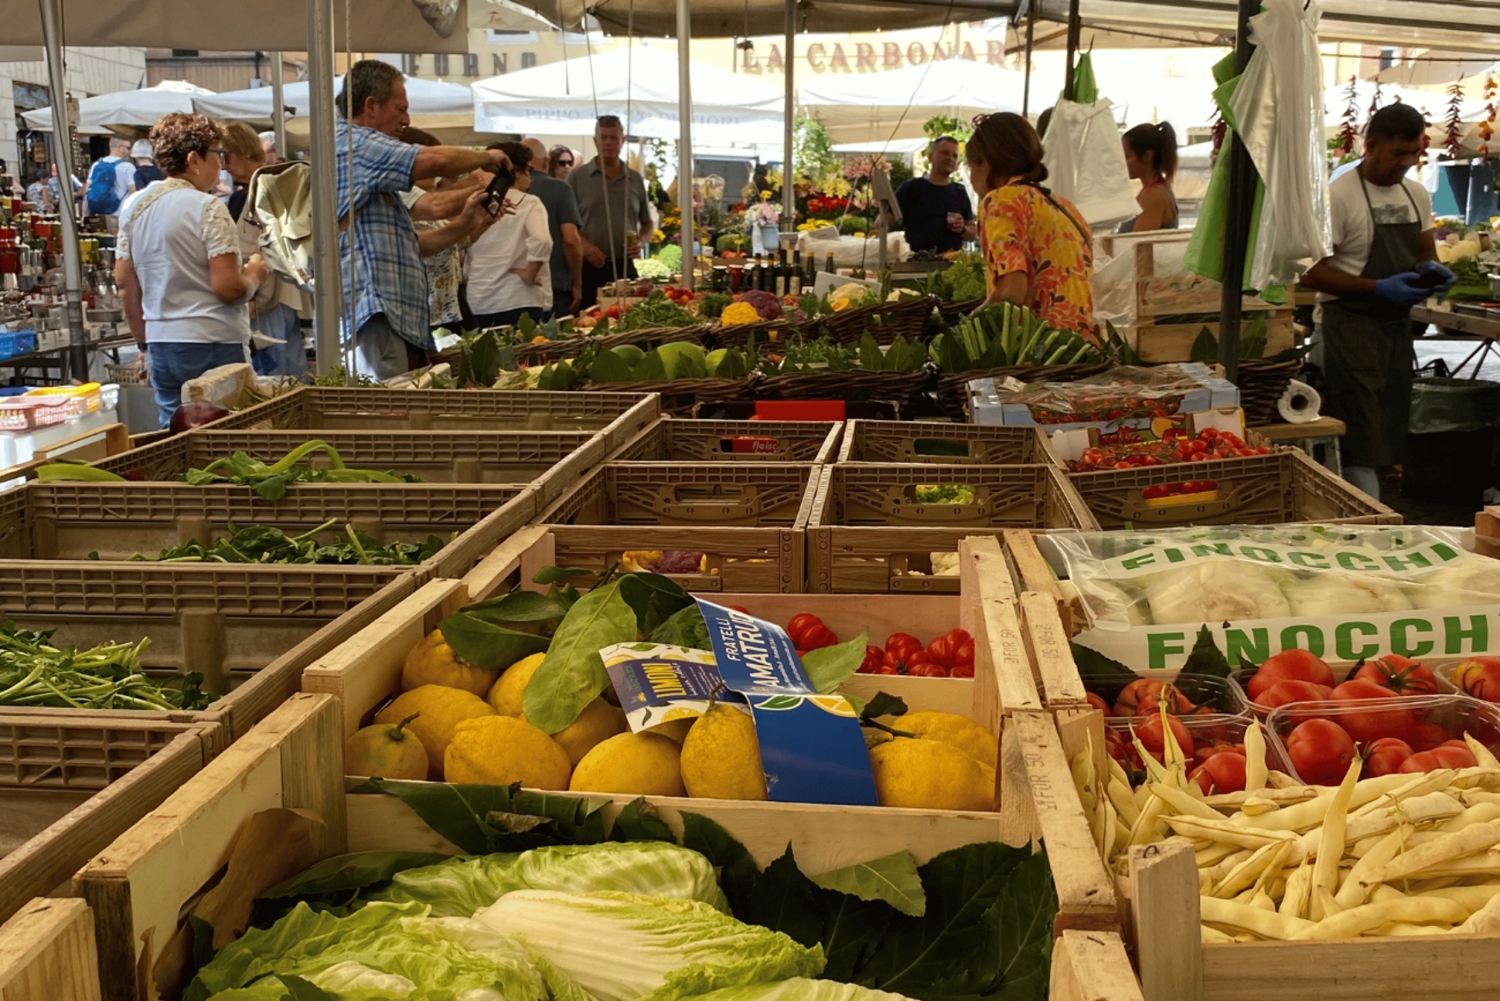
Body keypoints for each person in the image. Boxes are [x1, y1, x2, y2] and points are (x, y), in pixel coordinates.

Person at [1299, 104, 1456, 501]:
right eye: (1396, 153)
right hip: (1347, 329)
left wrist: (1433, 272)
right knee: (1357, 429)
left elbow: (1424, 251)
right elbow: (1310, 273)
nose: (1406, 163)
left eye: (1414, 153)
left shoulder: (1415, 193)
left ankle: (1379, 503)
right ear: (1369, 146)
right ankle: (1364, 515)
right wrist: (1377, 287)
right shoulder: (1339, 197)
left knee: (1389, 423)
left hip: (1395, 330)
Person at [334, 59, 510, 379]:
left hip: (391, 320)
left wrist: (465, 224)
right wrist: (488, 157)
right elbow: (438, 160)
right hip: (375, 316)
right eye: (400, 109)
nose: (406, 120)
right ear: (370, 106)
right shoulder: (355, 144)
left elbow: (411, 245)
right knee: (388, 417)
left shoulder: (371, 166)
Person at [113, 114, 269, 427]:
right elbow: (229, 289)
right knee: (228, 439)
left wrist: (144, 344)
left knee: (176, 438)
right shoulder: (207, 207)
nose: (222, 165)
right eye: (218, 154)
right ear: (193, 159)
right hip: (213, 341)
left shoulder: (133, 206)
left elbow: (125, 284)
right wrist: (255, 273)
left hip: (162, 344)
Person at [967, 111, 1096, 339]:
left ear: (984, 164)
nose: (970, 178)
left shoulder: (1001, 201)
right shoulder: (1064, 206)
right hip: (1081, 349)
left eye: (970, 168)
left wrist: (966, 326)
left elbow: (1012, 291)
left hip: (1039, 353)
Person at [567, 115, 653, 309]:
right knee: (590, 322)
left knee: (631, 319)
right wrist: (586, 247)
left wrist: (640, 241)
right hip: (589, 267)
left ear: (622, 141)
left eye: (614, 138)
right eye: (603, 137)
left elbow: (647, 222)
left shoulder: (635, 179)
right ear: (595, 141)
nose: (608, 143)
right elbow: (566, 224)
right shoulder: (578, 178)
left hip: (625, 267)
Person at [465, 142, 553, 329]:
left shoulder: (474, 202)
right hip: (519, 298)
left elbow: (463, 250)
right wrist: (530, 274)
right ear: (518, 170)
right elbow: (542, 240)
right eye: (529, 169)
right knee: (525, 357)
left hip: (478, 299)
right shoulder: (529, 202)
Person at [400, 126, 470, 337]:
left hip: (445, 305)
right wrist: (479, 187)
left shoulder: (423, 195)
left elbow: (456, 241)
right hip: (425, 308)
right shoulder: (404, 195)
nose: (439, 173)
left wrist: (479, 220)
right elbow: (424, 244)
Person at [523, 137, 583, 318]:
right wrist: (577, 284)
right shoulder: (560, 189)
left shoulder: (501, 192)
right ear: (546, 161)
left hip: (510, 290)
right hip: (554, 285)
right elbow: (570, 240)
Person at [895, 135, 975, 254]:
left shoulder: (959, 191)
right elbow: (884, 221)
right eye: (945, 153)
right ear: (931, 156)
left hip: (950, 264)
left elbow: (972, 233)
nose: (950, 158)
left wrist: (962, 229)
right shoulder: (911, 187)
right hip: (915, 262)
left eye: (955, 155)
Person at [1119, 122, 1179, 233]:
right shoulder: (1155, 191)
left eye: (1127, 156)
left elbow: (1139, 247)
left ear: (1147, 156)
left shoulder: (1153, 195)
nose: (1121, 163)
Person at [84, 136, 135, 230]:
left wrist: (85, 216)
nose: (130, 152)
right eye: (128, 148)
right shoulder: (128, 167)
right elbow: (134, 194)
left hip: (99, 217)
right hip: (120, 217)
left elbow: (87, 192)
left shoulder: (97, 165)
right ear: (120, 148)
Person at [220, 121, 265, 223]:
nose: (223, 166)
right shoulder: (236, 199)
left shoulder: (277, 191)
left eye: (226, 157)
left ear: (246, 152)